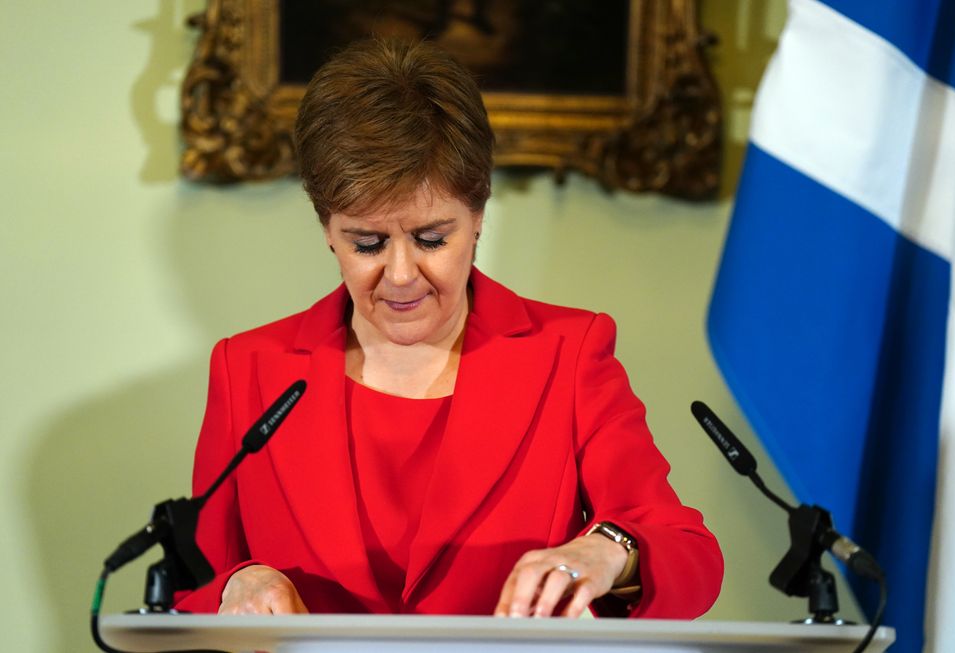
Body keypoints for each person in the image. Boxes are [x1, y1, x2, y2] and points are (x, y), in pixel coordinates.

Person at [174, 39, 722, 619]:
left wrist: (608, 553)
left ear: (479, 216)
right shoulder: (248, 369)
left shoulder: (569, 354)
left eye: (433, 238)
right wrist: (238, 585)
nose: (402, 275)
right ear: (327, 229)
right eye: (368, 243)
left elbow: (691, 558)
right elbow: (189, 589)